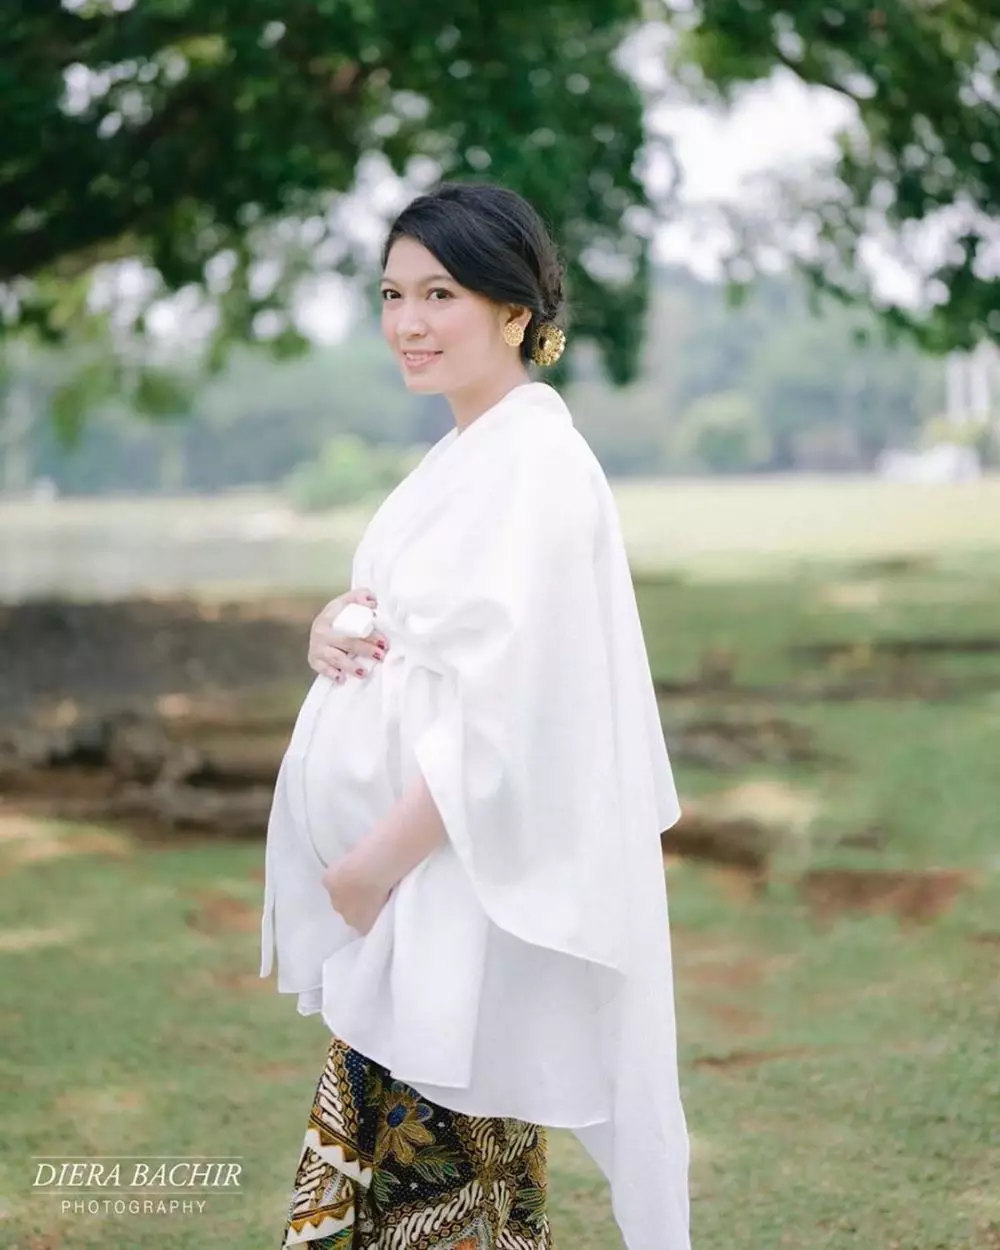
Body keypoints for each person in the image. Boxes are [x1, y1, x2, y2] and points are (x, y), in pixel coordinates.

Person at [260, 181, 690, 1250]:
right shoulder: (465, 453)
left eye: (439, 293)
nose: (407, 322)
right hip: (420, 897)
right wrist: (336, 626)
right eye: (392, 293)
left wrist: (370, 864)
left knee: (449, 1197)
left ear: (514, 310)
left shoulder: (538, 464)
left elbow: (513, 713)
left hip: (457, 887)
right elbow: (422, 629)